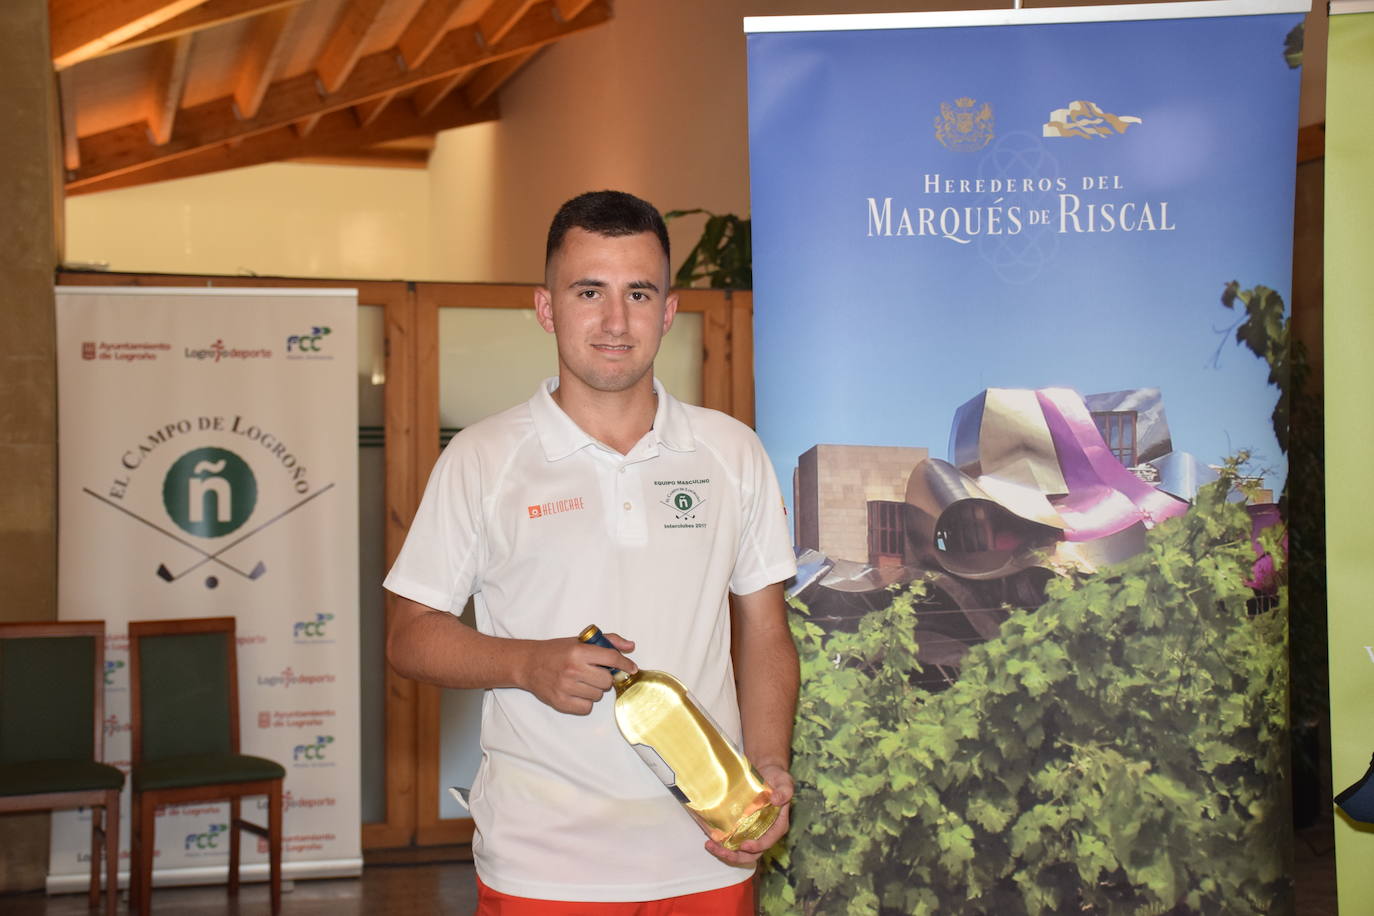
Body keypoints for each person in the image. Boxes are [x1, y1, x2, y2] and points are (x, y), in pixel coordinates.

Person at [384, 190, 799, 914]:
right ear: (547, 308)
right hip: (544, 862)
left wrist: (767, 768)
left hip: (706, 852)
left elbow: (766, 629)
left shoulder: (731, 451)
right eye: (589, 291)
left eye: (639, 292)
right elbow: (409, 637)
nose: (616, 321)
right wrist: (525, 663)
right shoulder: (483, 458)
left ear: (668, 312)